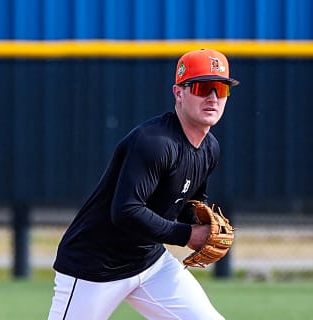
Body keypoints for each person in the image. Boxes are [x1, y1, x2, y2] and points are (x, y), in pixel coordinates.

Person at [47, 48, 239, 320]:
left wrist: (201, 224)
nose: (212, 97)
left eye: (221, 89)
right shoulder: (154, 142)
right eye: (202, 87)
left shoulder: (209, 148)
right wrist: (187, 235)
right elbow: (126, 210)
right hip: (94, 265)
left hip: (149, 264)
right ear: (179, 93)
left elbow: (188, 203)